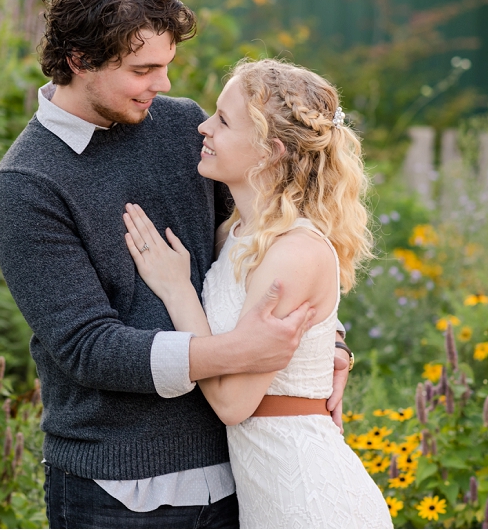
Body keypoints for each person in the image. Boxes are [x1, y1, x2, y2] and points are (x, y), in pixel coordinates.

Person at [0, 0, 354, 528]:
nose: (163, 85)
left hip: (241, 480)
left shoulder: (182, 128)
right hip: (118, 494)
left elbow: (272, 240)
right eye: (143, 69)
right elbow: (88, 348)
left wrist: (321, 342)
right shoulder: (29, 184)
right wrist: (242, 352)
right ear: (79, 61)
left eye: (165, 66)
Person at [122, 59, 391, 528]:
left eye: (223, 120)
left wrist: (176, 289)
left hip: (308, 499)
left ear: (270, 150)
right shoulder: (237, 233)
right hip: (266, 493)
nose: (203, 127)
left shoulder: (297, 251)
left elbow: (232, 404)